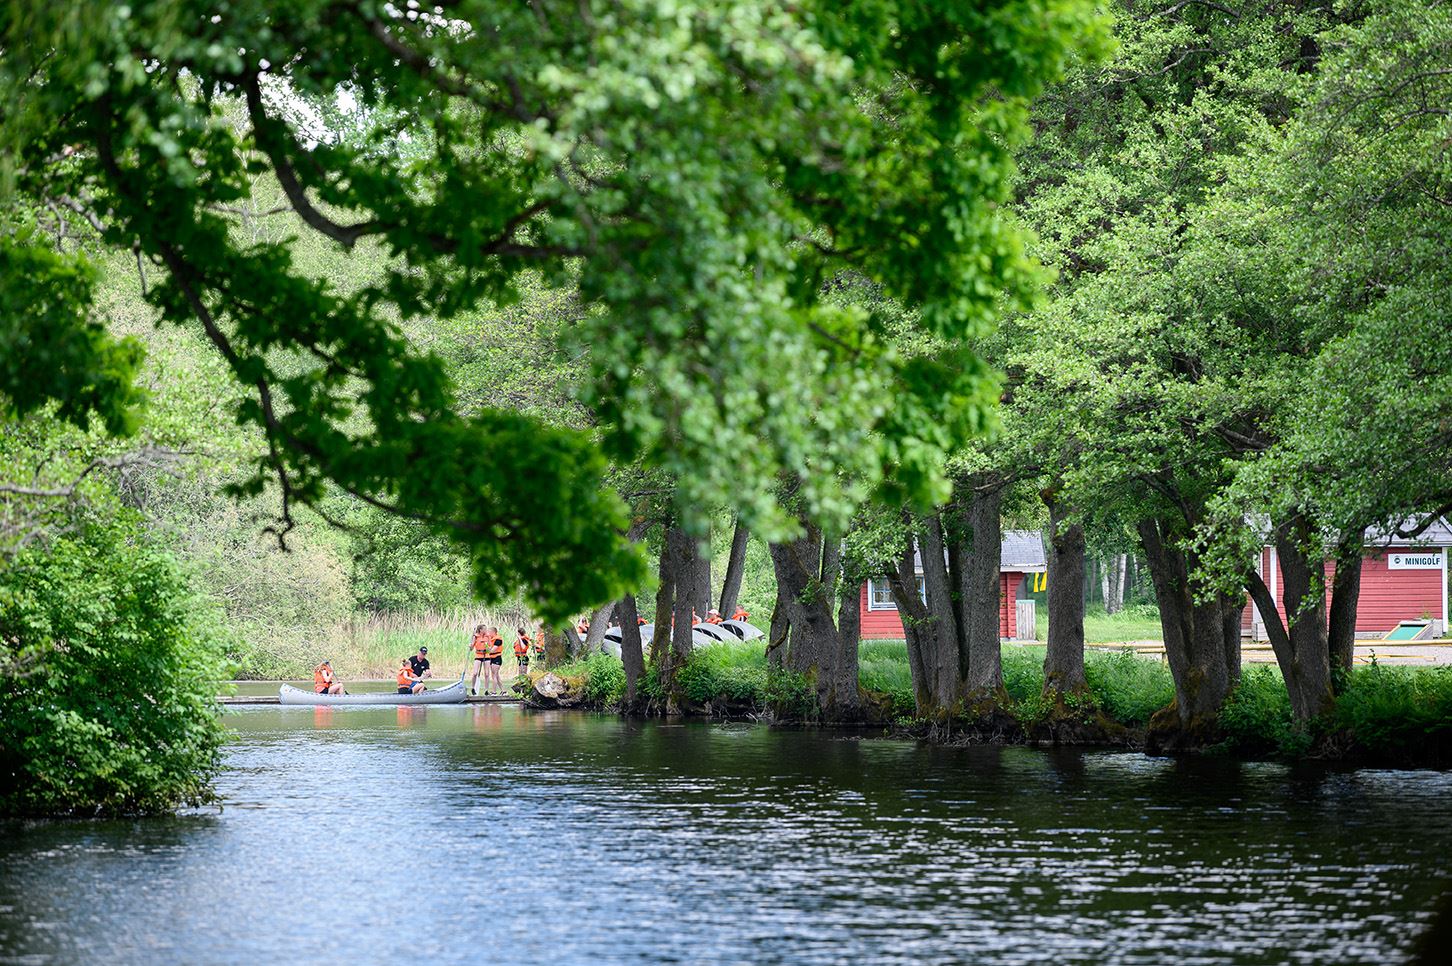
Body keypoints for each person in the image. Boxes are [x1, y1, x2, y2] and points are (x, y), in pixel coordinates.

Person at [468, 624, 490, 696]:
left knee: (487, 674)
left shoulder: (487, 636)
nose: (486, 630)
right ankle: (473, 688)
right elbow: (471, 649)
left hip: (486, 655)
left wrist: (487, 646)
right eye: (484, 629)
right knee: (475, 673)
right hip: (478, 655)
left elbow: (489, 647)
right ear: (480, 630)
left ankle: (486, 690)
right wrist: (470, 646)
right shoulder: (476, 636)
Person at [483, 626, 505, 695]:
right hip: (492, 658)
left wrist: (486, 648)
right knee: (497, 676)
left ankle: (494, 692)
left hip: (497, 658)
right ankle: (503, 691)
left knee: (494, 675)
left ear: (494, 632)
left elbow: (492, 650)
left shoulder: (498, 640)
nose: (489, 634)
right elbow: (490, 649)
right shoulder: (492, 639)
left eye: (490, 632)